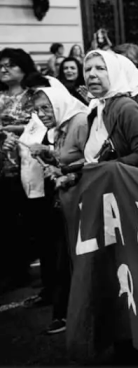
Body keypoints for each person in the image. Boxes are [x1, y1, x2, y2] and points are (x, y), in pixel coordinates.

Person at [27, 84, 88, 334]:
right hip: (67, 200)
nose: (41, 114)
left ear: (59, 103)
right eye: (37, 110)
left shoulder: (80, 121)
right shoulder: (60, 126)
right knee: (64, 258)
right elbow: (67, 157)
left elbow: (94, 160)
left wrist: (66, 173)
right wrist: (49, 155)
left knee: (72, 259)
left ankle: (73, 315)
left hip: (82, 201)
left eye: (46, 108)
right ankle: (66, 313)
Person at [0, 48, 47, 290]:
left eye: (10, 64)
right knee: (6, 221)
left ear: (24, 67)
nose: (4, 69)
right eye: (1, 65)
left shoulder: (34, 95)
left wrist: (13, 129)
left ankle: (34, 270)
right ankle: (12, 270)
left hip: (29, 165)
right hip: (3, 165)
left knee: (31, 219)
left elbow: (42, 123)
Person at [81, 50, 138, 170]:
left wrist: (106, 168)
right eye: (87, 69)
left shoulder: (126, 108)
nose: (91, 74)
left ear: (114, 73)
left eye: (100, 68)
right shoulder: (98, 107)